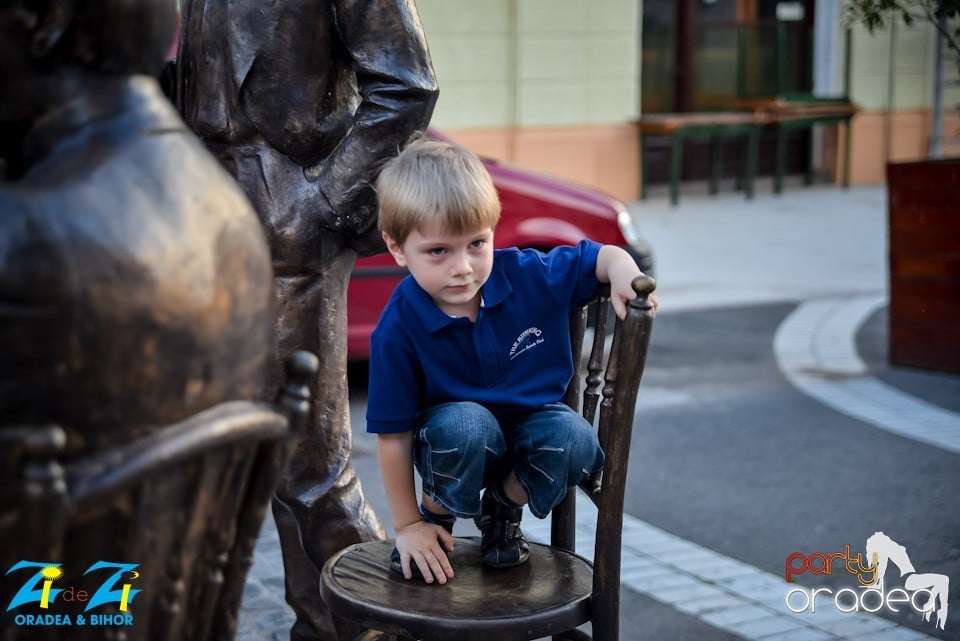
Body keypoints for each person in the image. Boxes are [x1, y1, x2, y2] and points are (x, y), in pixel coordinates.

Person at [174, 2, 438, 639]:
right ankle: (321, 624)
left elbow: (407, 82)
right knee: (224, 444)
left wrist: (321, 195)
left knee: (309, 464)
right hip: (197, 197)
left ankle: (371, 625)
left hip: (288, 204)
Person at [368, 136, 659, 584]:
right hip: (454, 443)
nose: (463, 267)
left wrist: (623, 271)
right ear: (396, 248)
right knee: (468, 425)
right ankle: (436, 523)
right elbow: (392, 437)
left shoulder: (526, 274)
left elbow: (598, 257)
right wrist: (407, 525)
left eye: (476, 244)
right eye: (438, 251)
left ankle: (502, 510)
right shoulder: (399, 325)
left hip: (532, 428)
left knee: (575, 439)